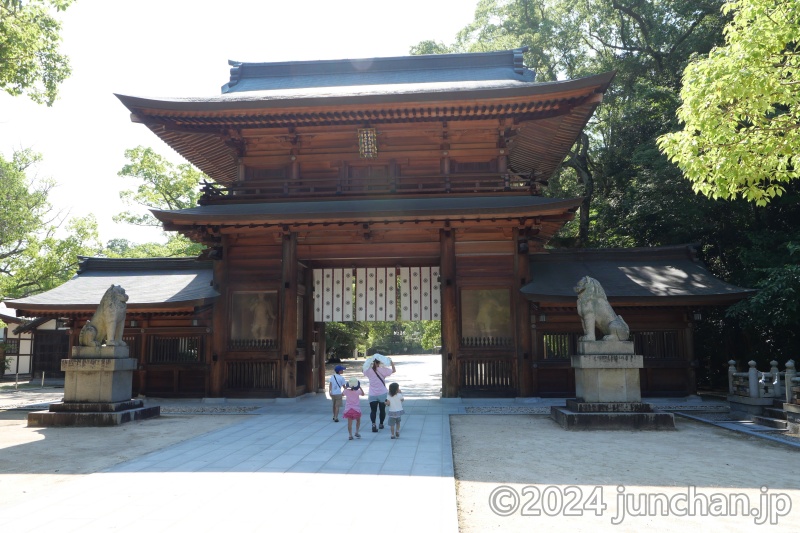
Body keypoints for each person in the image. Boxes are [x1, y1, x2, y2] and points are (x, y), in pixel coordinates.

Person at [363, 356, 396, 432]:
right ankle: (381, 424)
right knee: (382, 410)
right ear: (379, 363)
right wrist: (391, 362)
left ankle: (373, 424)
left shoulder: (368, 371)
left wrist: (367, 363)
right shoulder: (383, 370)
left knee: (373, 410)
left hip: (372, 393)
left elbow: (363, 370)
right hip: (382, 393)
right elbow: (394, 370)